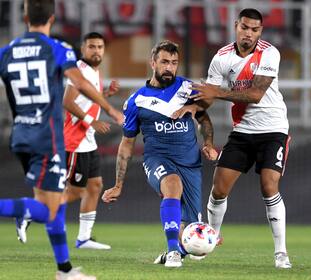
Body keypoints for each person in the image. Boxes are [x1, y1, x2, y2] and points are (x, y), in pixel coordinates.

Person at [0, 0, 123, 279]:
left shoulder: (7, 51)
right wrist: (109, 108)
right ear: (52, 18)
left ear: (25, 15)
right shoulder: (57, 49)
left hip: (20, 135)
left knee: (52, 201)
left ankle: (64, 269)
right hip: (48, 137)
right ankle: (26, 215)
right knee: (48, 207)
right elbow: (78, 84)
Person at [185, 8, 292, 269]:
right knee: (218, 189)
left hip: (274, 129)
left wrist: (216, 92)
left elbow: (255, 94)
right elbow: (209, 96)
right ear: (236, 26)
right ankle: (208, 240)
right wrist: (195, 107)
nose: (249, 34)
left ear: (260, 31)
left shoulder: (269, 52)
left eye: (255, 30)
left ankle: (281, 253)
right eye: (245, 28)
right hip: (243, 131)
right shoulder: (221, 58)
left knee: (269, 186)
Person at [101, 40, 218, 268]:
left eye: (174, 63)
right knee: (172, 185)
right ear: (153, 62)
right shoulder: (137, 100)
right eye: (164, 62)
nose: (169, 67)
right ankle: (173, 252)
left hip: (190, 164)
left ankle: (174, 252)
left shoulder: (187, 89)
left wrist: (209, 141)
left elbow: (205, 115)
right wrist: (118, 184)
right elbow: (127, 143)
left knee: (193, 235)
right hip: (158, 159)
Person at [16, 32, 115, 250]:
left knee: (95, 186)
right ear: (83, 49)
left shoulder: (93, 71)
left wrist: (105, 94)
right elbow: (68, 102)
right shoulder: (79, 69)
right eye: (92, 47)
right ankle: (28, 212)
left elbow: (85, 100)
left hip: (88, 142)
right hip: (75, 141)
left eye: (100, 46)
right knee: (75, 191)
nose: (96, 50)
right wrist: (92, 122)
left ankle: (84, 238)